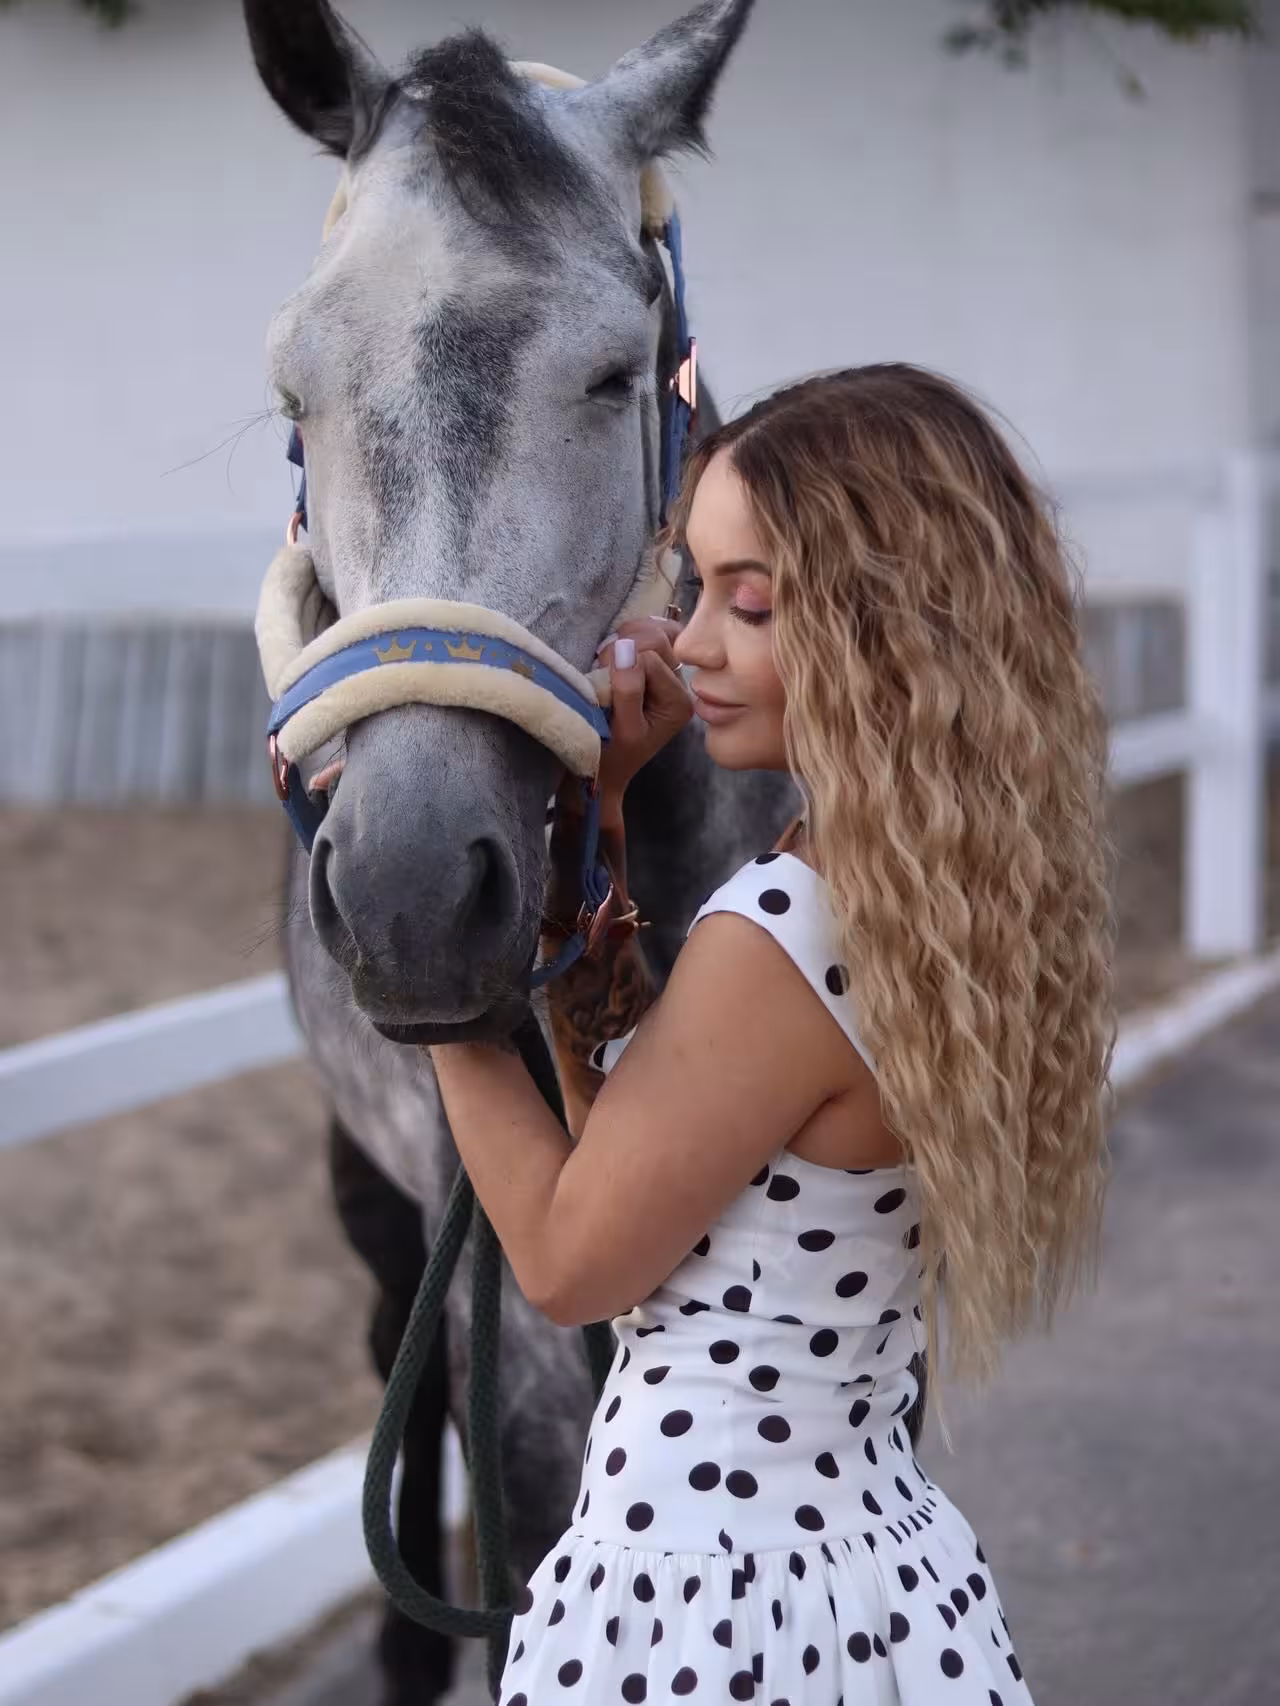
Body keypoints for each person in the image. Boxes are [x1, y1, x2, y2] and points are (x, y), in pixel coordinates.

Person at [427, 363, 1116, 1705]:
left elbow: (575, 1259)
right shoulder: (951, 891)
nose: (688, 643)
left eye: (750, 602)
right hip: (870, 1566)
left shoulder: (788, 929)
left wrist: (434, 995)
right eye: (690, 588)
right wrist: (602, 827)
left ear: (890, 626)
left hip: (709, 1600)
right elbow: (647, 1166)